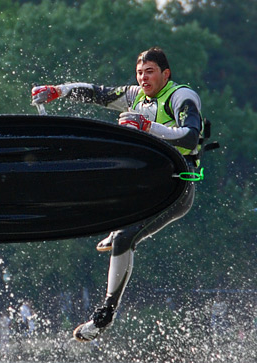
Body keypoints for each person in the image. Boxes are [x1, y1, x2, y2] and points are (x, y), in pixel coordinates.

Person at [31, 47, 204, 342]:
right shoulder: (134, 95)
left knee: (125, 238)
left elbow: (190, 137)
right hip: (144, 188)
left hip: (177, 186)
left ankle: (105, 315)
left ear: (166, 74)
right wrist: (58, 91)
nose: (144, 77)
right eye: (140, 72)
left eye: (150, 72)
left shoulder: (181, 97)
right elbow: (96, 93)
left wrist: (147, 125)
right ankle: (113, 221)